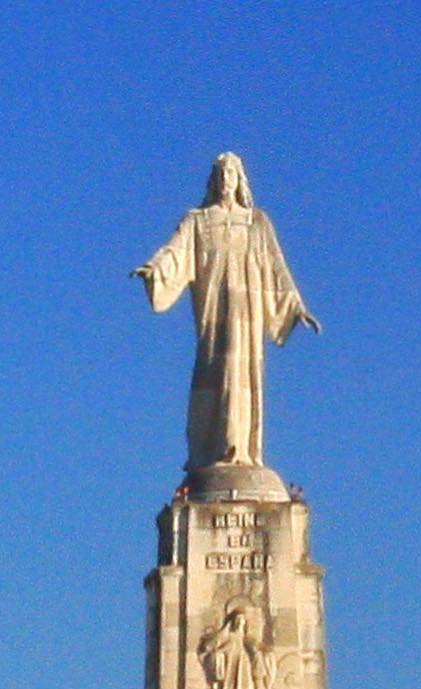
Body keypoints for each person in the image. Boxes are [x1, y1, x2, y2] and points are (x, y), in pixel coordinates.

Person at [133, 152, 319, 473]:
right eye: (219, 174)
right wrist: (155, 269)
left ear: (239, 180)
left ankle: (241, 449)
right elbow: (175, 252)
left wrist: (295, 306)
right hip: (213, 317)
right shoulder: (197, 221)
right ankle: (209, 450)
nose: (224, 180)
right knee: (212, 375)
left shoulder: (256, 223)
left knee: (242, 373)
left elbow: (277, 269)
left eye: (230, 174)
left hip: (247, 320)